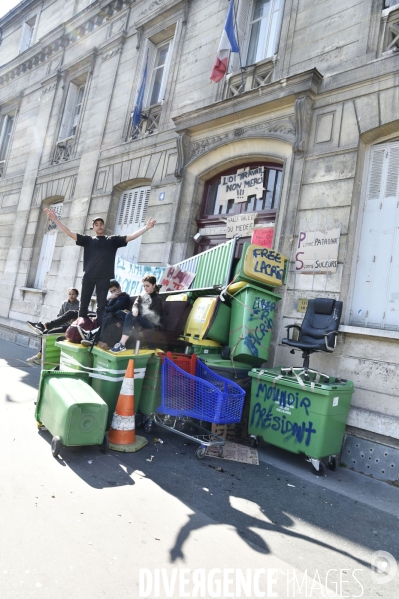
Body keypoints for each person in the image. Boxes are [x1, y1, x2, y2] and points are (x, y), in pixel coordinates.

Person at [43, 207, 156, 327]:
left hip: (103, 278)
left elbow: (131, 237)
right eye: (96, 224)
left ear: (104, 226)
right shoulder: (88, 240)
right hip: (88, 277)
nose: (99, 226)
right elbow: (69, 233)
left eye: (101, 224)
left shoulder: (112, 240)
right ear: (93, 227)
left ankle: (100, 331)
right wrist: (55, 219)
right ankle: (81, 326)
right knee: (84, 305)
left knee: (101, 306)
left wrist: (146, 227)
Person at [25, 288, 80, 364]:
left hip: (70, 327)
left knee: (49, 332)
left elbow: (79, 319)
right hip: (60, 324)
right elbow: (60, 316)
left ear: (77, 295)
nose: (71, 296)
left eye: (73, 294)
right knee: (44, 332)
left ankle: (40, 356)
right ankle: (40, 355)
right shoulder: (64, 303)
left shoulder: (79, 305)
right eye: (70, 294)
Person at [110, 275, 163, 353]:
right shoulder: (142, 295)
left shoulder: (157, 299)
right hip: (141, 318)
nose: (145, 288)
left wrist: (137, 313)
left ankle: (122, 344)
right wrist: (135, 310)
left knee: (130, 315)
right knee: (119, 313)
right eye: (144, 286)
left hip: (152, 323)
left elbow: (152, 316)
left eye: (147, 286)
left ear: (154, 285)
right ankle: (114, 339)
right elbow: (135, 305)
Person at [79, 279, 131, 346]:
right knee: (101, 315)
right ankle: (91, 335)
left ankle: (92, 336)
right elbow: (104, 308)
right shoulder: (113, 298)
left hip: (119, 321)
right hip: (111, 319)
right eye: (111, 292)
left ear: (119, 287)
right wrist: (108, 298)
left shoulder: (124, 297)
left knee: (107, 315)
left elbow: (113, 308)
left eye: (114, 290)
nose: (113, 293)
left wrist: (108, 308)